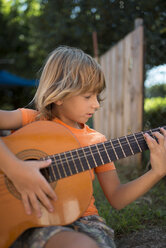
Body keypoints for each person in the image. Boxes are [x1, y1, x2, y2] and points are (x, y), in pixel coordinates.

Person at [0, 46, 166, 248]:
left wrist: (157, 172)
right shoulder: (32, 120)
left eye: (97, 96)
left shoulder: (96, 141)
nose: (96, 104)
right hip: (31, 220)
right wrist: (15, 168)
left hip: (84, 222)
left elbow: (117, 198)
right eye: (87, 97)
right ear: (59, 96)